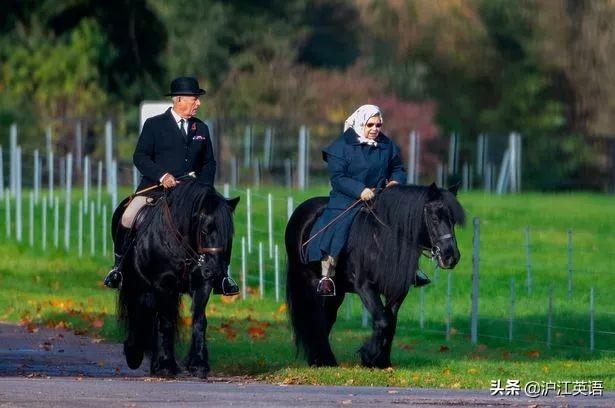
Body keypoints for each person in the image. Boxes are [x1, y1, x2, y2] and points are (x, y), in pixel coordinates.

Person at [103, 76, 239, 296]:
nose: (198, 103)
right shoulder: (154, 125)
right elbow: (140, 156)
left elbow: (209, 163)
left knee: (220, 217)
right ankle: (119, 268)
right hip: (156, 189)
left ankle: (223, 276)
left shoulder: (201, 129)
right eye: (194, 98)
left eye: (198, 99)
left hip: (193, 194)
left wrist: (201, 189)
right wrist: (161, 176)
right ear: (178, 99)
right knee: (127, 217)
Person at [305, 104, 431, 296]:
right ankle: (327, 276)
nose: (375, 129)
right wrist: (360, 190)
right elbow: (338, 178)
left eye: (378, 125)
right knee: (339, 228)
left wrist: (396, 182)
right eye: (370, 124)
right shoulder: (341, 146)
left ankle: (410, 270)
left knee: (404, 225)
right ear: (360, 123)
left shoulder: (387, 145)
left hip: (381, 198)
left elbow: (397, 168)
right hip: (347, 199)